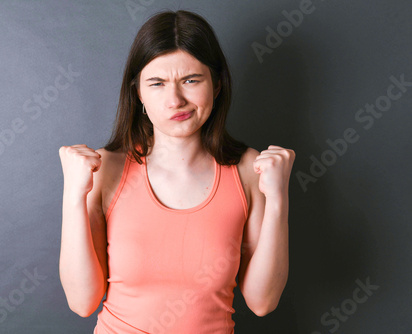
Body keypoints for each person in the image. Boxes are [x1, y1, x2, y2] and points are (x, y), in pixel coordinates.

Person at [58, 10, 295, 333]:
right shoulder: (104, 169)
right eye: (157, 83)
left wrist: (278, 198)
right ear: (139, 92)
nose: (175, 100)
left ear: (217, 84)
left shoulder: (249, 170)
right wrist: (73, 197)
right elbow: (82, 301)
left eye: (191, 80)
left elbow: (262, 302)